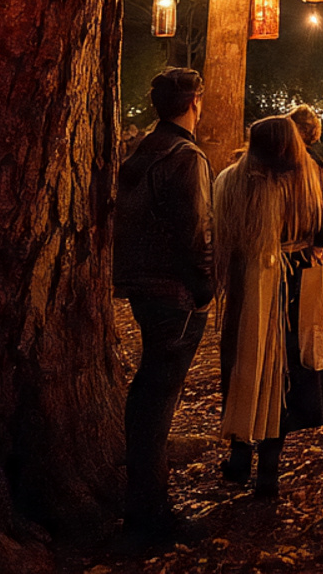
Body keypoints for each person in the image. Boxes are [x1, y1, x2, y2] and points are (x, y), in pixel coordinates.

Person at [113, 68, 214, 548]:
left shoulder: (141, 151)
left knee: (148, 393)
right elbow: (194, 231)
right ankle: (149, 512)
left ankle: (142, 497)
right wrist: (205, 286)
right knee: (158, 398)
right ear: (194, 102)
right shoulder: (185, 156)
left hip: (140, 284)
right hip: (174, 292)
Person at [215, 117, 323, 497]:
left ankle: (239, 453)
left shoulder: (230, 182)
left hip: (248, 284)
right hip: (296, 281)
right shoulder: (308, 182)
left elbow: (221, 238)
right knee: (284, 374)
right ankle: (269, 469)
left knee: (245, 364)